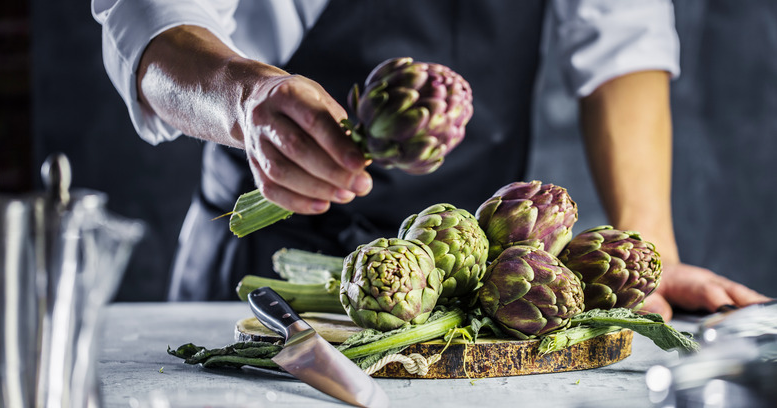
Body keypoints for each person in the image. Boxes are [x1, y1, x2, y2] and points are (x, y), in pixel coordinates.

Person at [92, 0, 770, 320]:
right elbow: (154, 28)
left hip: (475, 300)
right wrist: (247, 101)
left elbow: (623, 39)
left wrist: (646, 251)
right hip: (261, 277)